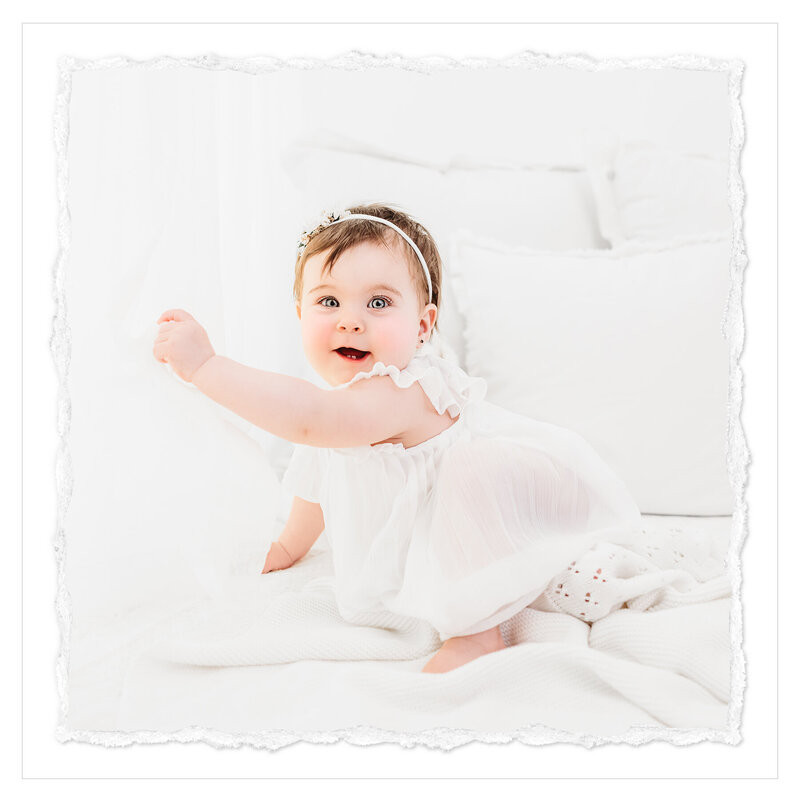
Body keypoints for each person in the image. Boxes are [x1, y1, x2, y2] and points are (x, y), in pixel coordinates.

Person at [153, 203, 642, 673]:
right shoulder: (343, 408)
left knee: (473, 468)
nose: (351, 320)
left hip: (519, 505)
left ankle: (477, 633)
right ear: (300, 313)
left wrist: (207, 368)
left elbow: (310, 420)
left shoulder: (406, 390)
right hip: (454, 516)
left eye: (379, 303)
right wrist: (286, 548)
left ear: (423, 325)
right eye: (328, 301)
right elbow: (319, 478)